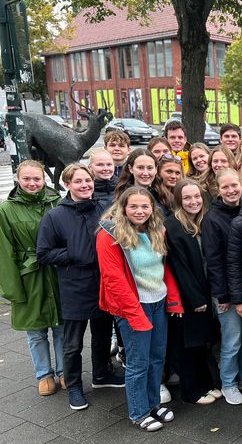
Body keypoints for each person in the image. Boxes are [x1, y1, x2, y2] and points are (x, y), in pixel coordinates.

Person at [37, 164, 124, 411]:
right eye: (79, 182)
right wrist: (74, 255)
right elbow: (43, 253)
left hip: (102, 282)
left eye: (88, 180)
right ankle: (74, 385)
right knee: (73, 342)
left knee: (102, 334)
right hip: (74, 285)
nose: (85, 185)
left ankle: (101, 374)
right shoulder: (55, 216)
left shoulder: (103, 209)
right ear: (68, 185)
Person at [97, 186, 184, 431]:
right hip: (133, 306)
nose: (140, 211)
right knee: (138, 362)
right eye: (133, 206)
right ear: (123, 208)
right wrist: (136, 316)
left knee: (157, 358)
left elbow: (163, 267)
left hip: (158, 301)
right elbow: (113, 280)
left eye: (145, 206)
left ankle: (153, 404)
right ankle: (138, 412)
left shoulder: (157, 229)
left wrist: (173, 299)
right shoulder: (109, 235)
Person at [0, 160, 63, 397]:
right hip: (30, 276)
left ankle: (65, 370)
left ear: (44, 179)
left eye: (37, 178)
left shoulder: (56, 201)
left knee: (62, 326)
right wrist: (12, 287)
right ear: (18, 179)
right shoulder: (7, 209)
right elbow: (4, 252)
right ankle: (44, 374)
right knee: (35, 331)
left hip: (56, 272)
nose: (32, 183)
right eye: (27, 179)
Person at [202, 168, 242, 405]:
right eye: (225, 187)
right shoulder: (212, 218)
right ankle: (228, 382)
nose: (231, 190)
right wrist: (224, 296)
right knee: (232, 338)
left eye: (234, 185)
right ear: (218, 189)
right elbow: (213, 261)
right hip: (225, 291)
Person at [164, 179, 220, 405]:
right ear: (178, 201)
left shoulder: (201, 221)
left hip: (204, 291)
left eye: (196, 196)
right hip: (189, 297)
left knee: (201, 342)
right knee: (187, 344)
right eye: (187, 198)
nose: (193, 201)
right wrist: (195, 298)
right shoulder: (173, 226)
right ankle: (191, 391)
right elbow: (180, 268)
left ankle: (204, 384)